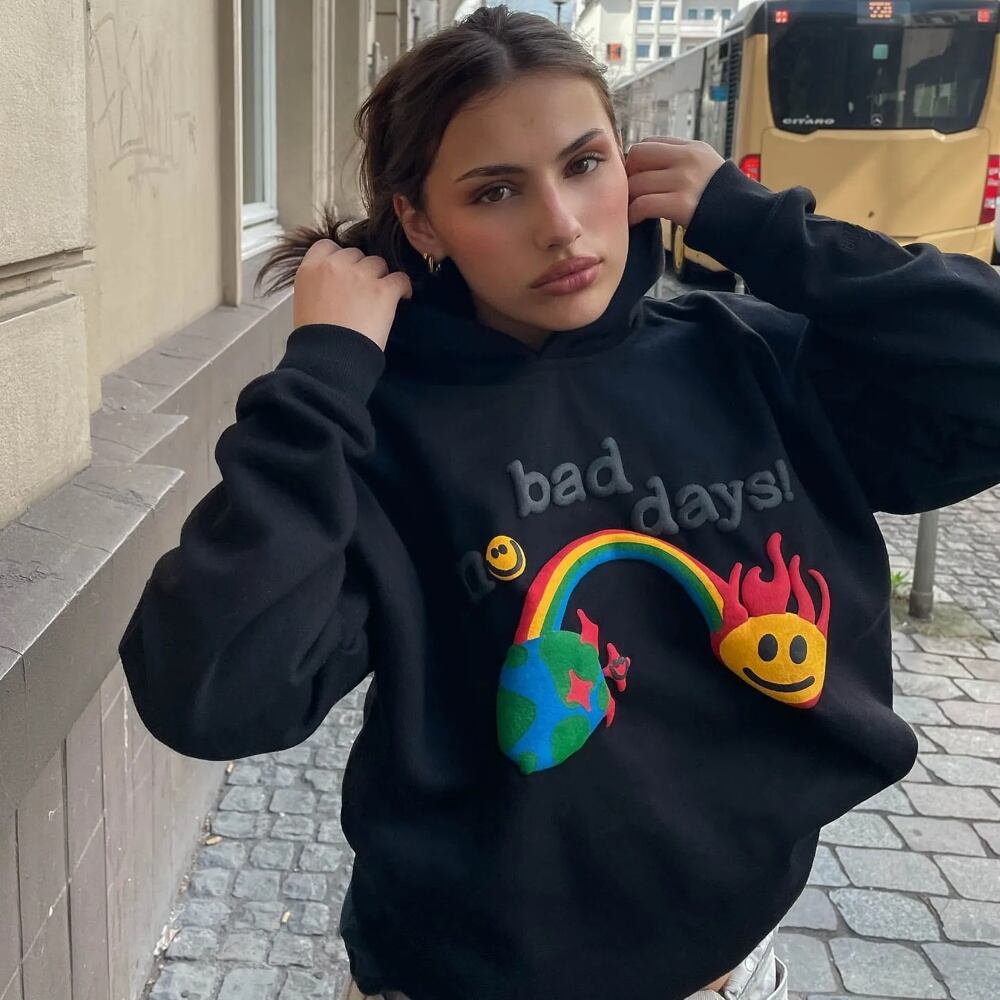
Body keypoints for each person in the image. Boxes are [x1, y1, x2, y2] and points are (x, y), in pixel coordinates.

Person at [116, 6, 1000, 1000]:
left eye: (584, 164)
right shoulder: (385, 429)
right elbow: (211, 692)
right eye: (495, 190)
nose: (561, 224)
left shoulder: (747, 358)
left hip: (726, 974)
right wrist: (322, 375)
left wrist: (762, 227)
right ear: (420, 221)